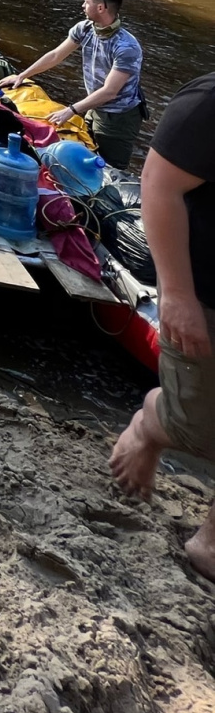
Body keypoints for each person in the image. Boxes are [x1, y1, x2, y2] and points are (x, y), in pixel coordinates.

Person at [108, 73, 215, 579]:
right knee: (198, 429)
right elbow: (157, 183)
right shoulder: (207, 102)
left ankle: (210, 543)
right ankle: (152, 420)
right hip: (204, 294)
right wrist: (175, 294)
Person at [0, 0, 145, 168]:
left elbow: (110, 91)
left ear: (100, 7)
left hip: (118, 116)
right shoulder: (85, 28)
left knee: (109, 166)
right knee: (87, 150)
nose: (82, 6)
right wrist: (22, 75)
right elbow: (56, 55)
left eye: (86, 2)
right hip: (94, 105)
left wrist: (71, 110)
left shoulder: (126, 47)